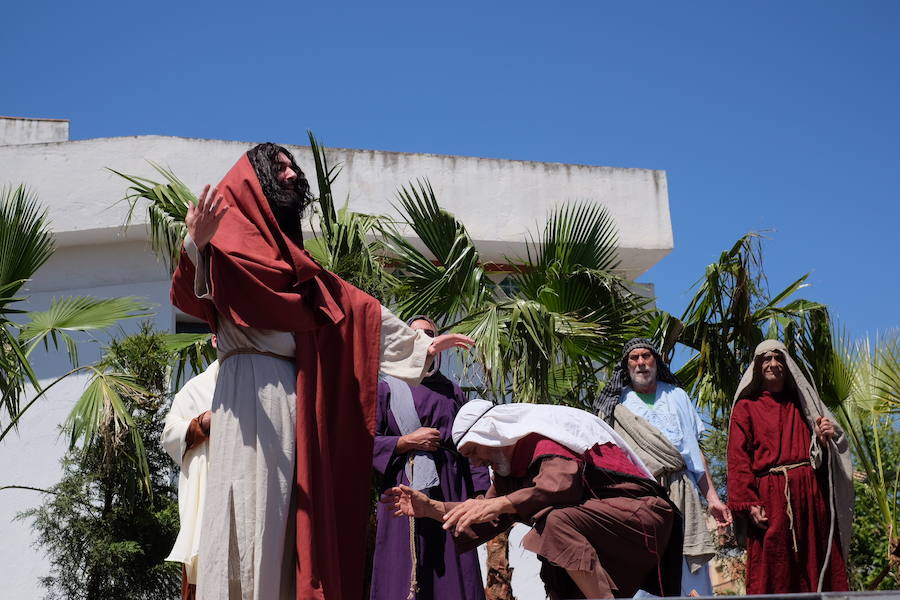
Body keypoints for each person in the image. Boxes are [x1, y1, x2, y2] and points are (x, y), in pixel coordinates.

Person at [170, 143, 475, 600]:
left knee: (294, 529)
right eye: (280, 168)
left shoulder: (303, 273)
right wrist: (198, 241)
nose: (292, 175)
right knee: (247, 517)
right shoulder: (224, 249)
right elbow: (191, 296)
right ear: (254, 182)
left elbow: (363, 315)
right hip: (245, 407)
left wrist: (424, 346)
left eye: (293, 167)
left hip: (299, 414)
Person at [382, 400, 683, 600]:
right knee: (556, 562)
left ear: (492, 433)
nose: (474, 464)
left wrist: (499, 503)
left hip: (641, 518)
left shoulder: (539, 440)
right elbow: (488, 515)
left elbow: (560, 486)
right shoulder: (508, 473)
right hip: (609, 531)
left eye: (473, 451)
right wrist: (430, 508)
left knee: (554, 523)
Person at [595, 338, 731, 596]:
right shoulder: (617, 405)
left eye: (646, 356)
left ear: (656, 361)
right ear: (627, 366)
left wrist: (712, 498)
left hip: (682, 492)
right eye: (634, 358)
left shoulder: (677, 396)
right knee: (644, 568)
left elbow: (693, 452)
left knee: (688, 569)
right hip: (639, 497)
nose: (641, 362)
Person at [371, 315, 491, 600]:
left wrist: (480, 493)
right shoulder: (386, 388)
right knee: (402, 568)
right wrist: (404, 442)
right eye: (416, 335)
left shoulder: (454, 391)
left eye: (430, 333)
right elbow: (364, 443)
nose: (425, 339)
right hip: (401, 490)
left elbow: (471, 445)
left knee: (453, 568)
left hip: (451, 488)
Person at [727, 339, 852, 593]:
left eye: (778, 358)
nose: (773, 363)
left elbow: (824, 451)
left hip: (810, 495)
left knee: (816, 564)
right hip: (770, 497)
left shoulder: (804, 404)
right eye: (767, 359)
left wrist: (824, 435)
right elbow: (738, 460)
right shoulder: (745, 408)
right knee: (773, 569)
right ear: (757, 367)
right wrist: (749, 503)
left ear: (787, 365)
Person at [161, 359, 219, 600]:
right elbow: (169, 437)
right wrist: (201, 423)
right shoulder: (195, 389)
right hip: (207, 503)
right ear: (215, 339)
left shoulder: (262, 379)